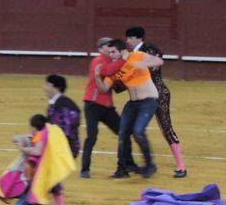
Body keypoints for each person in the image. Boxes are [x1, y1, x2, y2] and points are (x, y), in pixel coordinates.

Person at [95, 39, 164, 178]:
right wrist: (97, 75)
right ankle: (122, 169)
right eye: (109, 53)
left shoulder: (136, 55)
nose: (111, 55)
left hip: (149, 101)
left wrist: (142, 63)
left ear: (122, 50)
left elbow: (159, 61)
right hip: (132, 104)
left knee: (138, 131)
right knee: (122, 133)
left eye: (113, 52)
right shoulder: (115, 67)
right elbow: (103, 89)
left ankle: (149, 165)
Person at [125, 27, 187, 178]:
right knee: (132, 129)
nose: (127, 41)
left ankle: (181, 166)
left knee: (166, 127)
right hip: (140, 96)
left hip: (158, 94)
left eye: (129, 38)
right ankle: (132, 164)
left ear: (137, 38)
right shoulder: (131, 55)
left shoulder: (149, 49)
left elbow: (153, 67)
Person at [80, 38, 137, 178]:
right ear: (100, 49)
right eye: (107, 46)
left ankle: (128, 164)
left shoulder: (113, 61)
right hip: (92, 105)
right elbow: (107, 71)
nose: (110, 48)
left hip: (107, 106)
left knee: (123, 132)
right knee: (92, 137)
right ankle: (85, 169)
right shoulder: (97, 61)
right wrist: (124, 60)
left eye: (112, 47)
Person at [5, 114, 76, 205]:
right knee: (55, 187)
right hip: (51, 164)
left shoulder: (41, 134)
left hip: (44, 171)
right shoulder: (48, 131)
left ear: (34, 127)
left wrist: (22, 148)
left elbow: (37, 151)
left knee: (54, 187)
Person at [43, 74, 81, 159]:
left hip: (65, 147)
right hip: (63, 146)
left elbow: (65, 130)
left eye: (47, 85)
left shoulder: (63, 104)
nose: (45, 88)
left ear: (54, 87)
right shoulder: (57, 103)